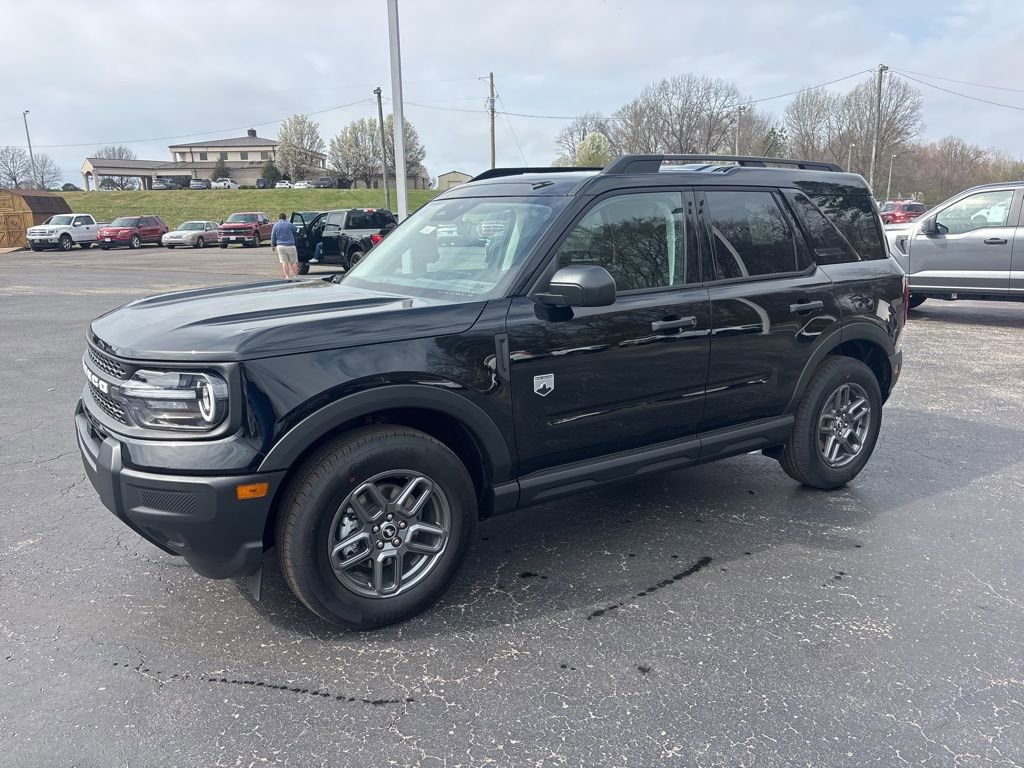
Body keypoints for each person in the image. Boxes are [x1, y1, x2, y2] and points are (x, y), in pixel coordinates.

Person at [270, 213, 299, 280]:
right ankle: (296, 276)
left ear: (279, 218)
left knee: (284, 262)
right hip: (290, 245)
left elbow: (273, 236)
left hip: (280, 246)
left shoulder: (276, 225)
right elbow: (298, 230)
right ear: (285, 218)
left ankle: (287, 277)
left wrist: (273, 245)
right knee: (293, 262)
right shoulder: (289, 224)